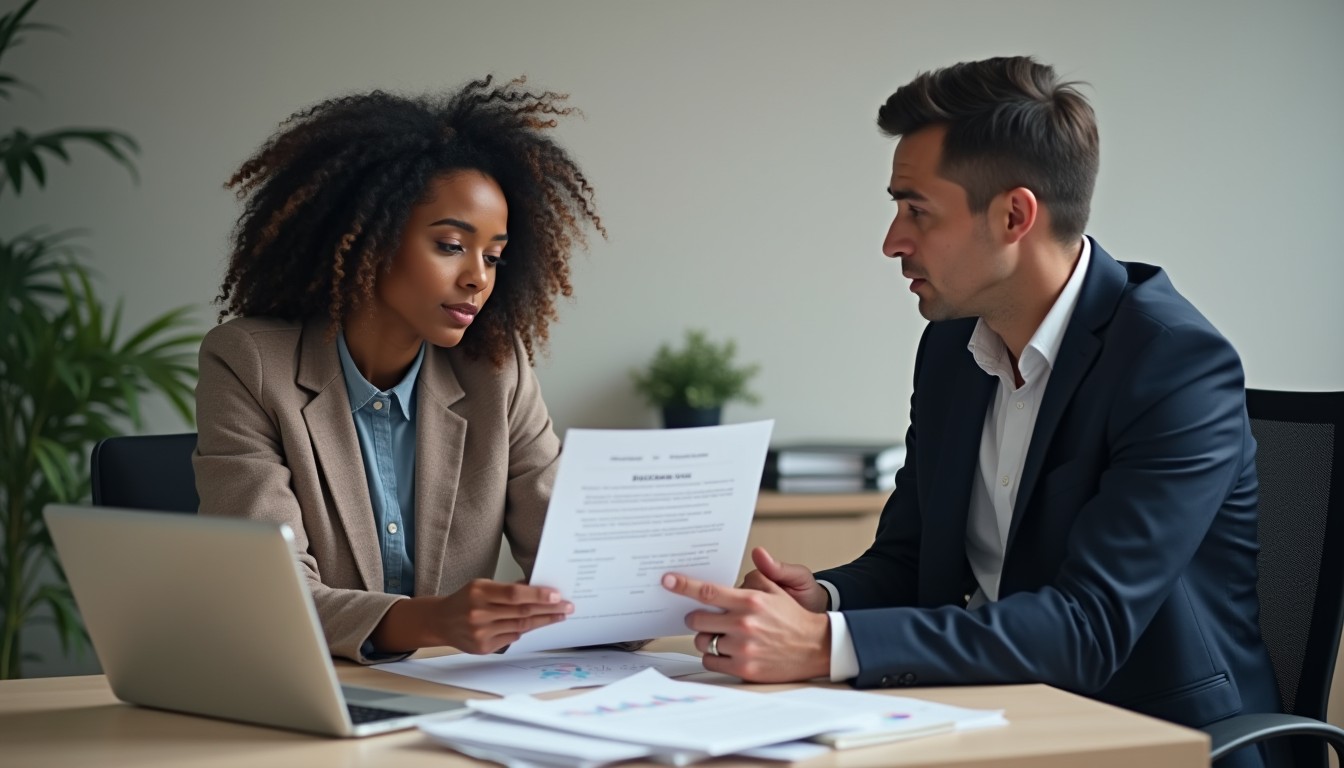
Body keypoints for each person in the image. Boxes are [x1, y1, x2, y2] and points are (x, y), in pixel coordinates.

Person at [662, 56, 1280, 764]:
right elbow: (911, 560)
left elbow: (1089, 627)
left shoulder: (1174, 365)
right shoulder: (953, 350)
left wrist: (826, 648)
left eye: (917, 210)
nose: (893, 240)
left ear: (1014, 215)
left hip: (1146, 738)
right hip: (993, 715)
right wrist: (824, 602)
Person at [195, 76, 604, 664]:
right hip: (301, 698)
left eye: (493, 256)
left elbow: (579, 567)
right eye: (449, 245)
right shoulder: (249, 364)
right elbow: (270, 596)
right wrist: (432, 620)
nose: (478, 278)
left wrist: (699, 602)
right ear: (367, 237)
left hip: (451, 707)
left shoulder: (495, 371)